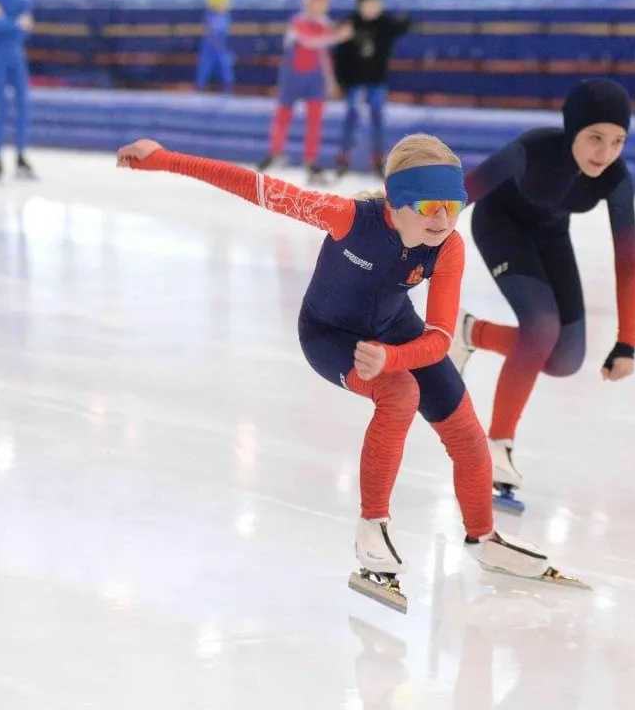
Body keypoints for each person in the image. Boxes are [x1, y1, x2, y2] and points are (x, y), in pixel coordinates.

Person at [116, 132, 588, 613]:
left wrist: (393, 355)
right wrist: (166, 159)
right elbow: (253, 185)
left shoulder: (448, 247)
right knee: (400, 394)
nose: (444, 219)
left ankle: (483, 535)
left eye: (453, 204)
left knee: (465, 429)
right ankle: (372, 531)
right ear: (398, 202)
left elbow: (442, 336)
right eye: (429, 206)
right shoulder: (345, 218)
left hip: (397, 336)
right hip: (329, 336)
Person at [449, 78, 635, 513]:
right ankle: (497, 446)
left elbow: (627, 261)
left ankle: (469, 333)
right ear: (572, 130)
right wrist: (407, 225)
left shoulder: (616, 179)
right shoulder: (531, 150)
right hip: (501, 226)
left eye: (617, 141)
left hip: (551, 236)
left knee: (564, 359)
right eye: (595, 138)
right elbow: (466, 191)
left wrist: (626, 340)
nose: (605, 152)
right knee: (541, 327)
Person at [255, 0, 352, 185]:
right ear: (309, 3)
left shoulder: (325, 25)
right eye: (319, 2)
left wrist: (331, 82)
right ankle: (274, 153)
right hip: (292, 78)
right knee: (283, 116)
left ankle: (310, 162)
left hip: (314, 80)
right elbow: (310, 40)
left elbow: (324, 56)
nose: (322, 6)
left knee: (315, 122)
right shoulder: (296, 22)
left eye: (325, 2)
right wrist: (337, 37)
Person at [331, 0, 411, 178]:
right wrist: (342, 81)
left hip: (376, 80)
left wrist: (405, 16)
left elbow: (403, 25)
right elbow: (340, 54)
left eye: (377, 3)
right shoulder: (350, 23)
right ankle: (343, 157)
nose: (374, 7)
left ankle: (378, 159)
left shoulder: (385, 23)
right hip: (356, 81)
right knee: (352, 117)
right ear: (360, 5)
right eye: (369, 3)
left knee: (377, 119)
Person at [0, 0, 37, 181]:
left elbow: (25, 29)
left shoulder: (23, 0)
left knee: (23, 106)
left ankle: (20, 156)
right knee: (1, 107)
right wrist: (15, 24)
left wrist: (7, 23)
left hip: (15, 56)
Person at [194, 0, 235, 94]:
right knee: (204, 71)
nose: (227, 5)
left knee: (226, 72)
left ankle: (227, 91)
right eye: (224, 3)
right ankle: (199, 90)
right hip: (210, 49)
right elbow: (211, 33)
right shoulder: (211, 16)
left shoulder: (226, 17)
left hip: (221, 49)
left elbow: (225, 35)